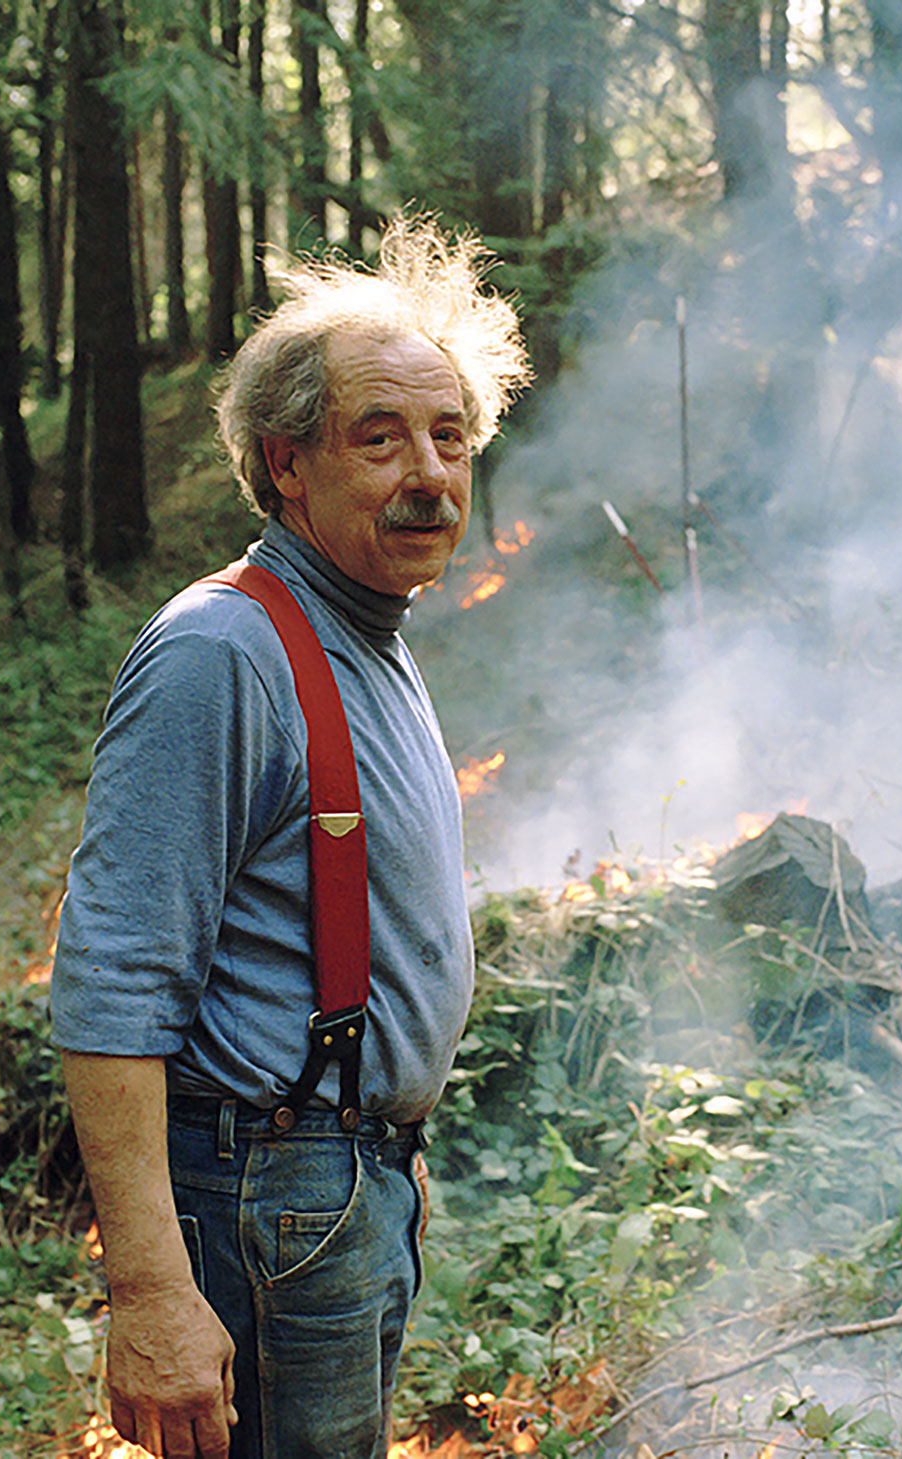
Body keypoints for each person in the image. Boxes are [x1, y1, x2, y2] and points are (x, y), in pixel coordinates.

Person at [50, 215, 531, 1459]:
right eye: (379, 439)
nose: (428, 473)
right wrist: (152, 1288)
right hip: (270, 1191)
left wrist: (385, 1139)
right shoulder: (225, 652)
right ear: (287, 467)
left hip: (341, 1174)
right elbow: (111, 981)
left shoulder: (370, 627)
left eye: (448, 436)